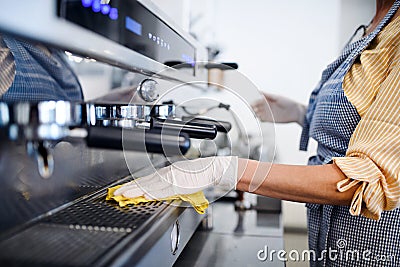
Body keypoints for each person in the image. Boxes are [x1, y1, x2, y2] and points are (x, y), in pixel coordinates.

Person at [114, 0, 400, 266]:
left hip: (373, 247)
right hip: (329, 239)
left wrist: (224, 170)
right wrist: (302, 113)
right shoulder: (372, 24)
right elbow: (359, 123)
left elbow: (365, 180)